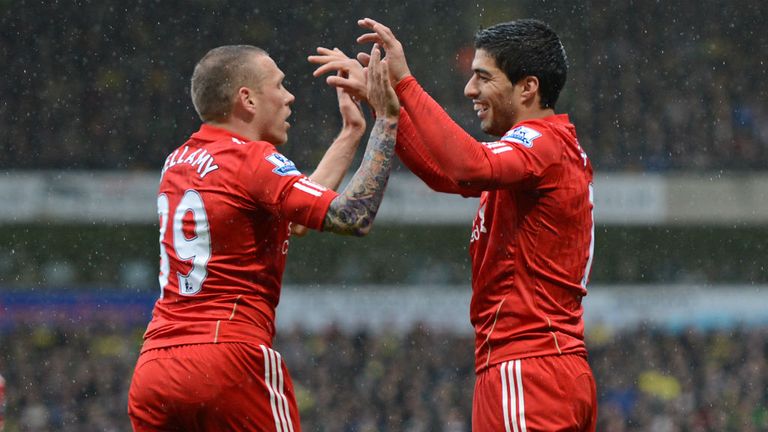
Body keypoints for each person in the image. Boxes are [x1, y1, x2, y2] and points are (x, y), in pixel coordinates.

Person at [310, 18, 597, 431]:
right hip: (546, 365)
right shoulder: (540, 152)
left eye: (482, 77)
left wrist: (405, 83)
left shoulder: (541, 143)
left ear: (527, 88)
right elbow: (444, 175)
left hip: (527, 367)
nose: (470, 90)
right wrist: (384, 106)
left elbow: (467, 165)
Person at [127, 43, 399, 431]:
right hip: (228, 360)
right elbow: (353, 216)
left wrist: (350, 134)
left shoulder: (178, 162)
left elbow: (297, 219)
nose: (289, 97)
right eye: (279, 85)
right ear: (247, 99)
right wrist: (387, 119)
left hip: (155, 367)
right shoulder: (252, 159)